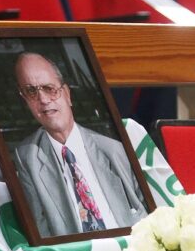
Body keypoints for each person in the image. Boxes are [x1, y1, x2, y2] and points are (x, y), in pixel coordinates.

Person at [11, 52, 148, 238]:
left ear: (67, 94)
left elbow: (145, 212)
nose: (43, 100)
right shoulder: (27, 158)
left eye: (49, 88)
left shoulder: (113, 149)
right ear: (25, 100)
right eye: (31, 92)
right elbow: (40, 231)